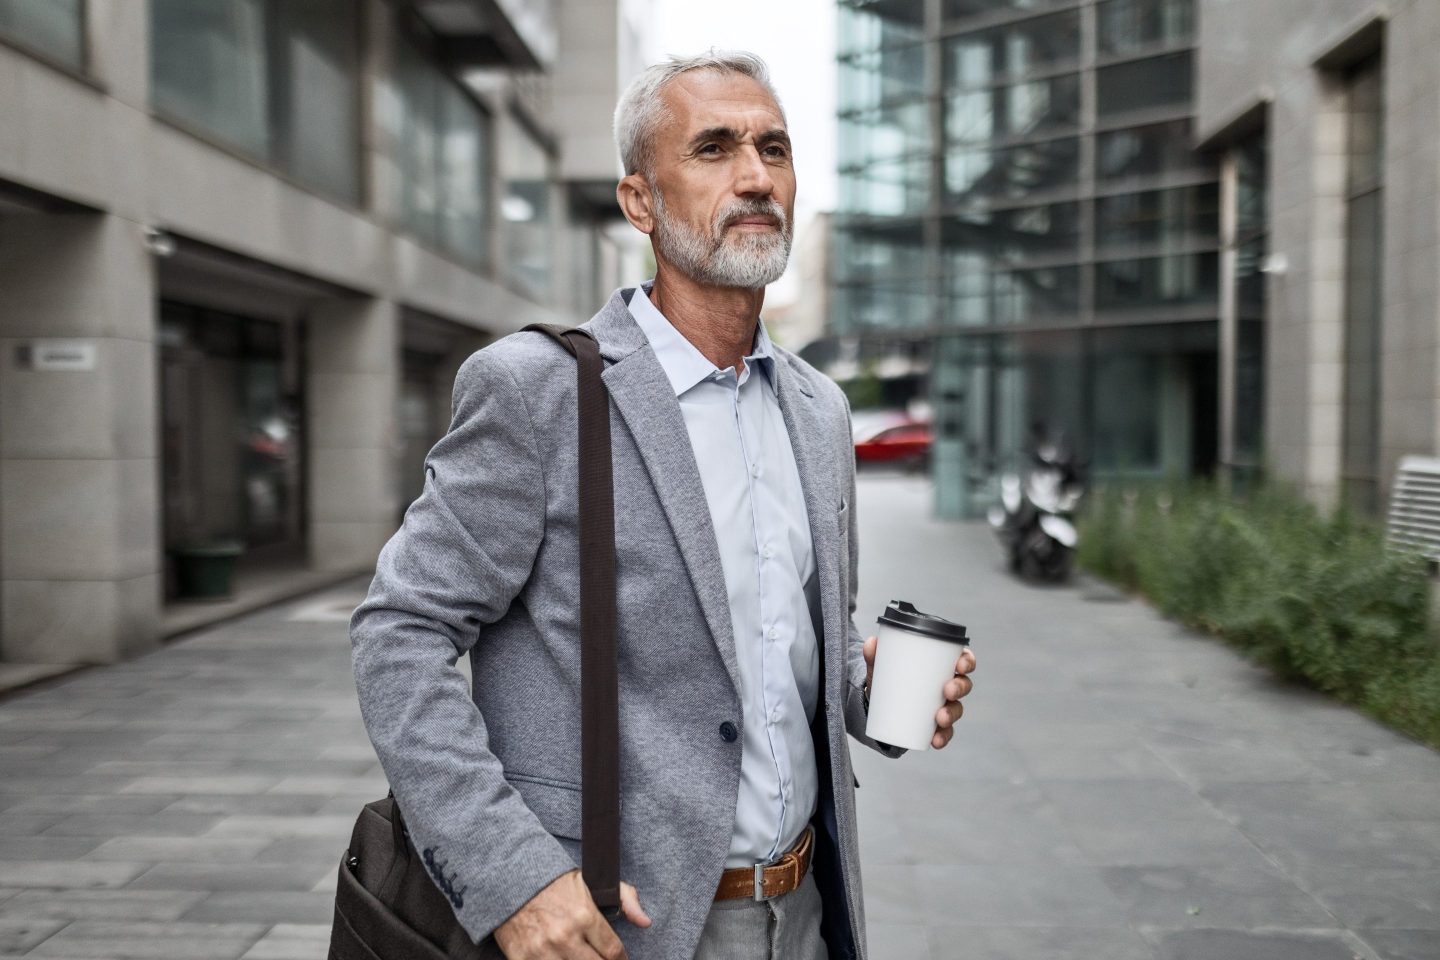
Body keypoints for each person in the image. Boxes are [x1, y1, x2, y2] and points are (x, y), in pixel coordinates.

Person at [349, 51, 976, 960]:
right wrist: (512, 873)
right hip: (618, 923)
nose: (756, 177)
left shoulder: (817, 409)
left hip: (805, 910)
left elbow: (791, 645)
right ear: (640, 202)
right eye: (714, 149)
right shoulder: (538, 391)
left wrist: (870, 691)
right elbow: (397, 633)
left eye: (775, 149)